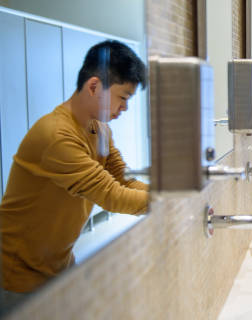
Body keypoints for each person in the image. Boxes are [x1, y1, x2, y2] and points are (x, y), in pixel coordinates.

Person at [0, 40, 149, 311]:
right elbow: (112, 195)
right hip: (16, 272)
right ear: (94, 87)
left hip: (59, 263)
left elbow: (123, 180)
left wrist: (167, 194)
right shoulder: (56, 135)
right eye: (123, 97)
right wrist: (167, 200)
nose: (125, 108)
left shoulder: (100, 130)